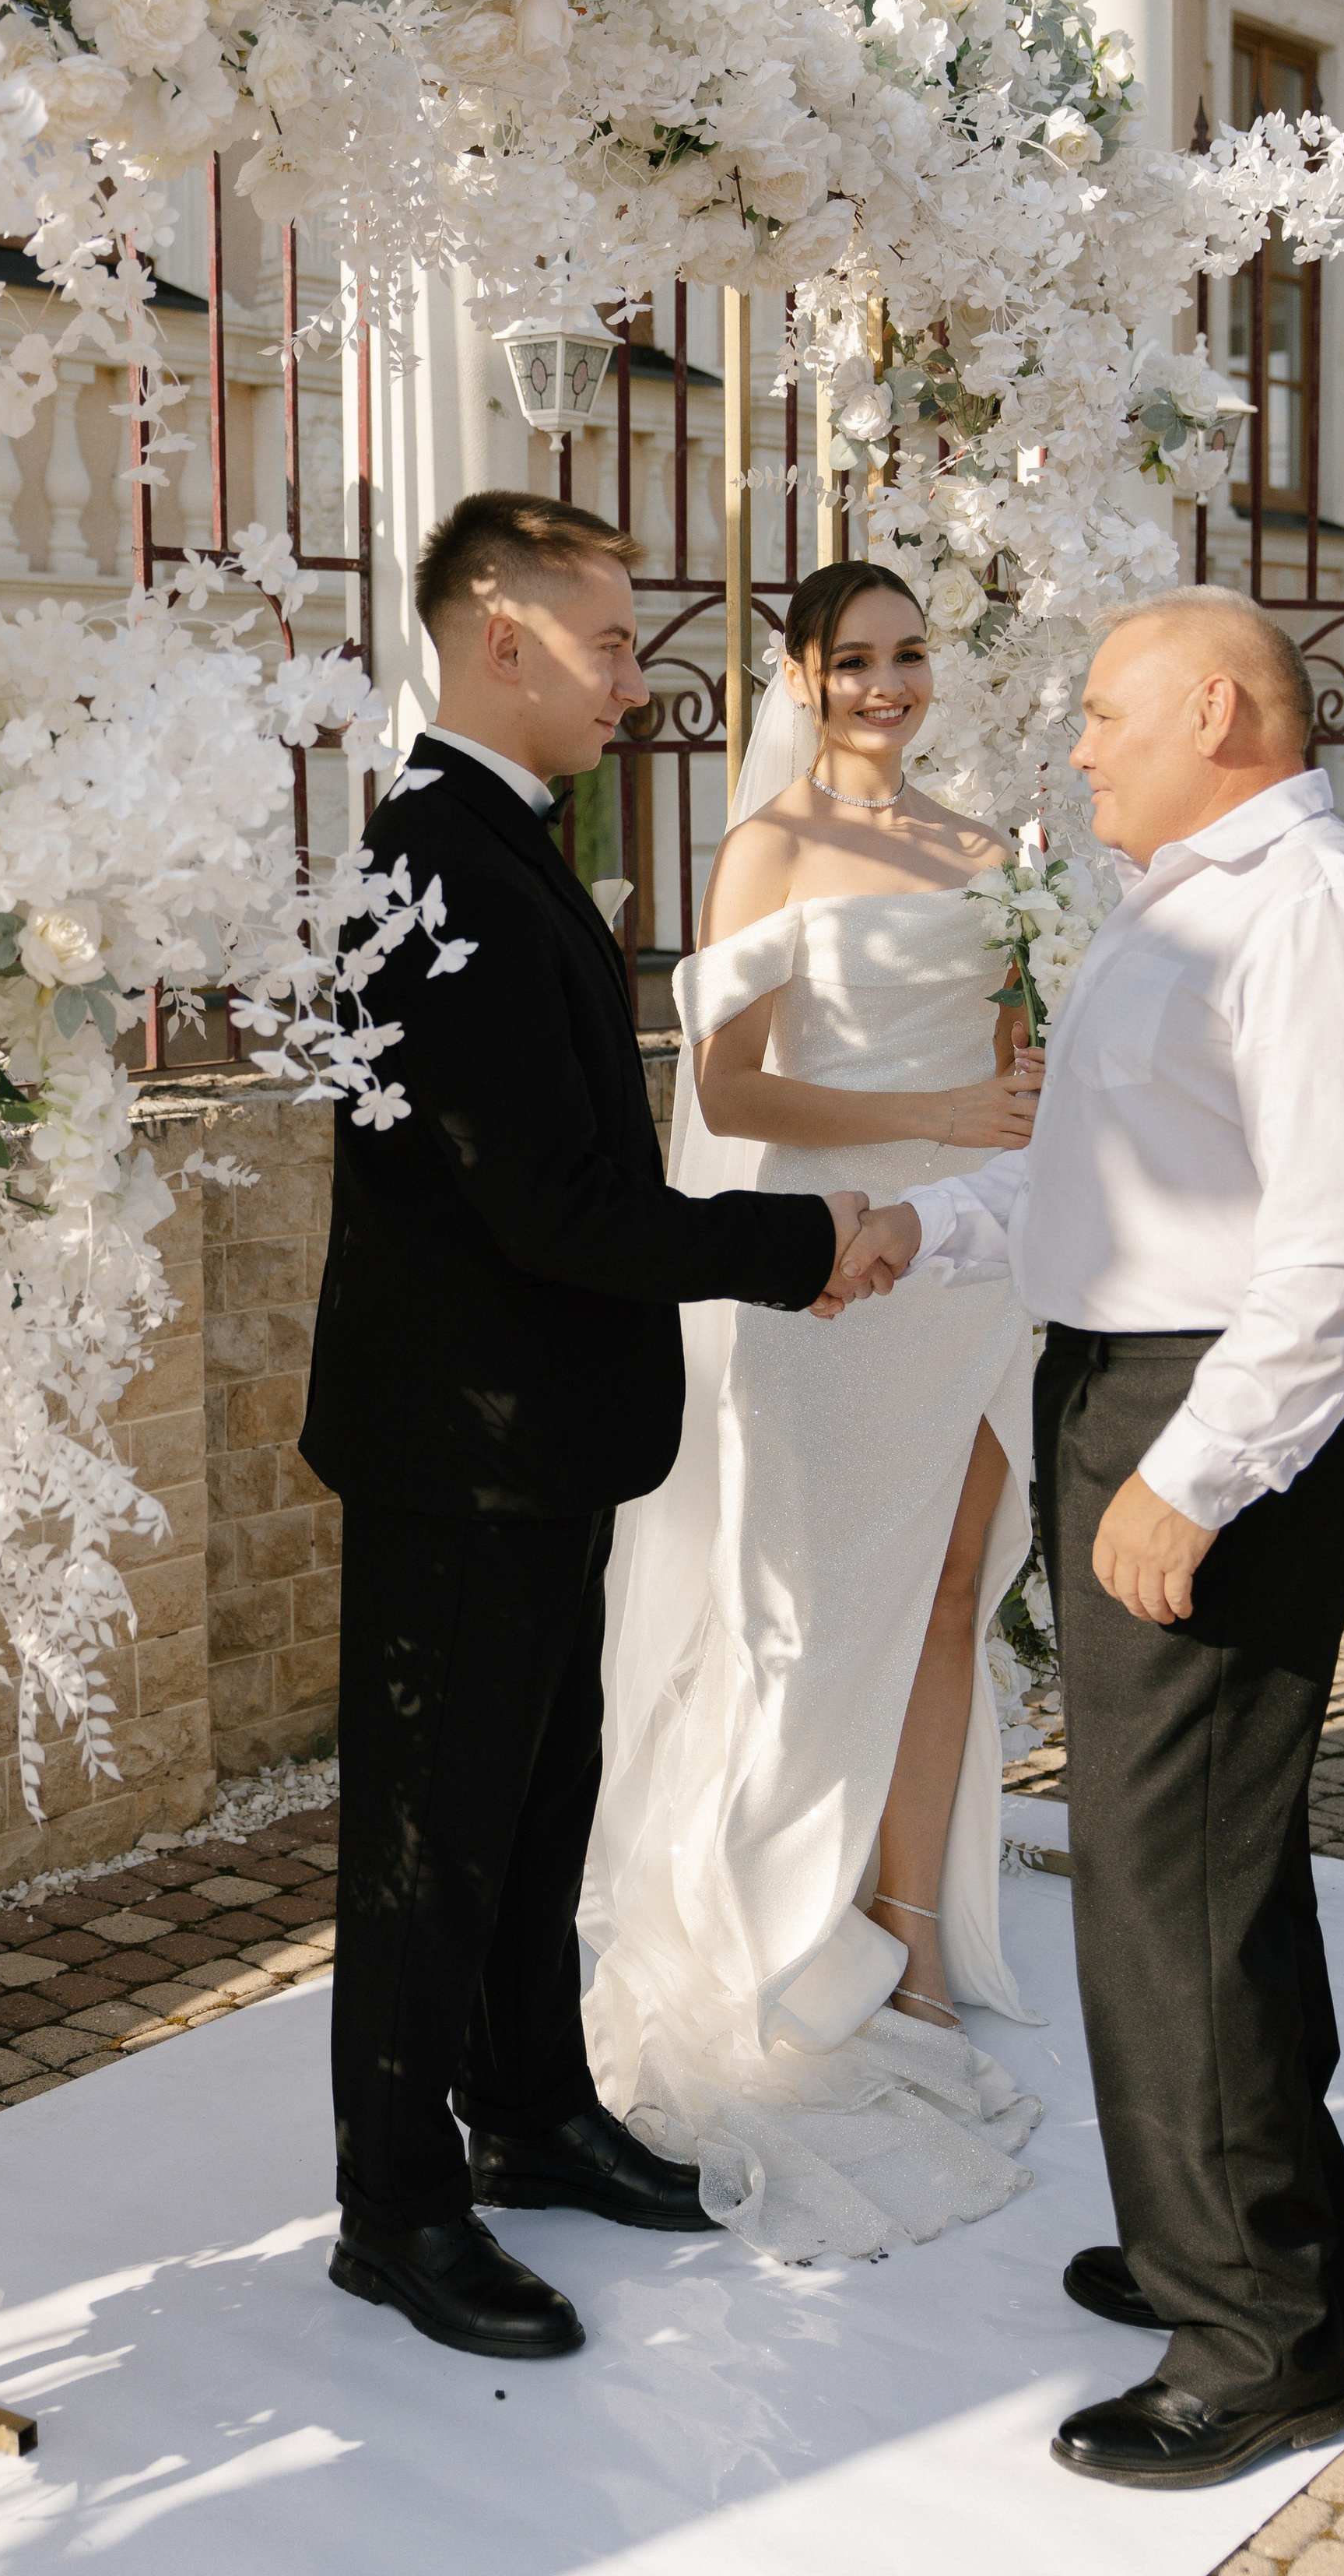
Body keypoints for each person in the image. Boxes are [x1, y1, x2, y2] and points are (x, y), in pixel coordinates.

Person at [840, 586, 1344, 2489]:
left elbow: (1341, 1252)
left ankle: (1253, 2347)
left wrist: (1190, 1478)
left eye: (1107, 714)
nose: (1079, 745)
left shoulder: (1316, 915)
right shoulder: (1189, 906)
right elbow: (1093, 1182)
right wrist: (918, 1235)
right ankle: (1264, 2257)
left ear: (1214, 709)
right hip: (1131, 1375)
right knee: (1207, 1864)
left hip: (1211, 1408)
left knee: (1162, 1881)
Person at [299, 491, 870, 2366]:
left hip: (536, 1433)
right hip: (459, 1442)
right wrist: (807, 1241)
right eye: (614, 644)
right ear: (502, 639)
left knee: (535, 1808)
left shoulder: (502, 840)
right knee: (429, 1835)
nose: (642, 680)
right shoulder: (434, 862)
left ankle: (527, 2113)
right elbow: (549, 1201)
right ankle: (395, 2207)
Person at [581, 563, 1047, 2266]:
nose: (885, 684)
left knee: (940, 1599)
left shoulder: (992, 854)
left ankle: (910, 1941)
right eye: (852, 659)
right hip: (824, 1258)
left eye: (908, 655)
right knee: (802, 1617)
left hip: (971, 1263)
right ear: (797, 672)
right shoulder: (767, 844)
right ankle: (782, 1938)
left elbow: (1018, 1057)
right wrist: (928, 1104)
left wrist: (1010, 1092)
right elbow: (722, 1083)